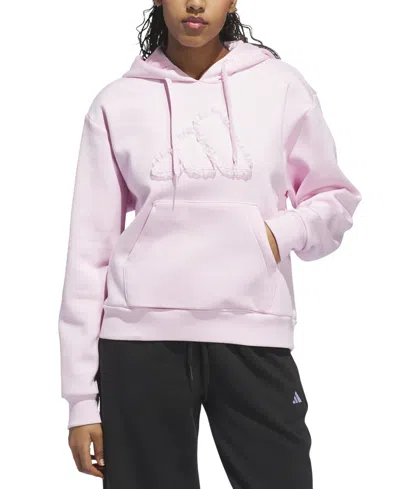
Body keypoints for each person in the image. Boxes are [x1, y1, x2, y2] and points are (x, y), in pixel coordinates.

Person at [58, 1, 362, 488]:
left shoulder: (281, 86)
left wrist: (275, 236)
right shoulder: (117, 102)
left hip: (252, 331)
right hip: (139, 342)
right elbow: (88, 253)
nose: (195, 3)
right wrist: (80, 402)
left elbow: (334, 198)